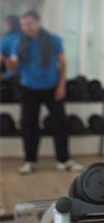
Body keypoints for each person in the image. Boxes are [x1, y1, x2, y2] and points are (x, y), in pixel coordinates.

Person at [8, 10, 82, 174]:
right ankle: (30, 161)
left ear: (38, 23)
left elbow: (63, 63)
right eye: (23, 25)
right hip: (28, 88)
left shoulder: (54, 40)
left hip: (52, 88)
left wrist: (62, 86)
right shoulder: (17, 42)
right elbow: (14, 67)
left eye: (28, 24)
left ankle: (63, 161)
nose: (25, 27)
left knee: (60, 123)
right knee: (29, 125)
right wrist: (7, 62)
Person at [1, 14, 21, 78]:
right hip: (29, 78)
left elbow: (1, 58)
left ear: (9, 26)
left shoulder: (5, 41)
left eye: (4, 25)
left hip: (12, 77)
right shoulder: (26, 38)